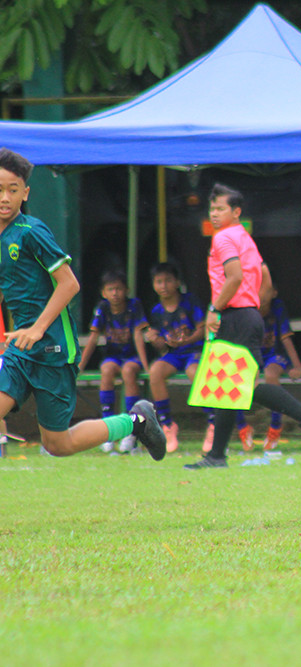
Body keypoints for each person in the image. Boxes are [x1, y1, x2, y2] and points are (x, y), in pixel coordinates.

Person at [0, 148, 165, 460]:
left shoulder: (31, 232)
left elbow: (69, 284)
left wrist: (37, 328)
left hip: (52, 349)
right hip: (20, 351)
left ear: (26, 193)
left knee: (58, 444)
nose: (5, 198)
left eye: (13, 190)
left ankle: (136, 422)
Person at [183, 183, 301, 469]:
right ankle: (216, 456)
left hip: (235, 316)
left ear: (236, 212)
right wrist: (254, 307)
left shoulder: (224, 237)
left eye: (220, 209)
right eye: (212, 209)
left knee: (242, 384)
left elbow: (234, 276)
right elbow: (264, 276)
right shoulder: (244, 237)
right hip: (246, 315)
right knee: (227, 386)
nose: (214, 214)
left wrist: (214, 309)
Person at [78, 269, 150, 453]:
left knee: (128, 371)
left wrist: (146, 365)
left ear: (126, 290)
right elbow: (93, 337)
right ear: (103, 292)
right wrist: (80, 366)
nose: (115, 293)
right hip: (113, 355)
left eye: (118, 289)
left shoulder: (134, 305)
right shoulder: (103, 308)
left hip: (132, 356)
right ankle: (108, 428)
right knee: (107, 369)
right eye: (110, 289)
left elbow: (138, 335)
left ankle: (131, 428)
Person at [145, 261, 208, 453]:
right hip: (174, 355)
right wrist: (155, 339)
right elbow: (161, 345)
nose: (163, 286)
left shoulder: (190, 301)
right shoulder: (156, 311)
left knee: (194, 372)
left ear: (177, 282)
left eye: (168, 281)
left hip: (194, 351)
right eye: (159, 282)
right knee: (155, 372)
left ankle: (213, 423)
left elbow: (202, 329)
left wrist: (187, 340)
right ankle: (167, 425)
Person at [259, 284, 301, 451]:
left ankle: (276, 425)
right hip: (253, 355)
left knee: (270, 375)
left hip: (274, 355)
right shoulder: (248, 308)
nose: (262, 294)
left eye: (266, 290)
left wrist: (297, 366)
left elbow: (286, 338)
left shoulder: (278, 307)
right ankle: (242, 427)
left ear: (274, 293)